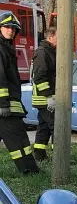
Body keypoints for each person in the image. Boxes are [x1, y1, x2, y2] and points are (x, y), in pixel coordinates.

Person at [0, 12, 40, 174]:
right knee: (16, 141)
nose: (10, 30)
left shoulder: (6, 48)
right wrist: (2, 104)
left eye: (13, 29)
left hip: (12, 105)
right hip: (5, 107)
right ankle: (27, 170)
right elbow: (0, 77)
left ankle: (32, 169)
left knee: (21, 138)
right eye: (7, 27)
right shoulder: (1, 49)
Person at [31, 27, 57, 161]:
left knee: (44, 127)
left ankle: (40, 155)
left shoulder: (49, 51)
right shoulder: (42, 52)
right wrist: (48, 96)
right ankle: (59, 158)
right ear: (50, 37)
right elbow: (39, 77)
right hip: (44, 98)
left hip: (47, 97)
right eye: (58, 36)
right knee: (56, 126)